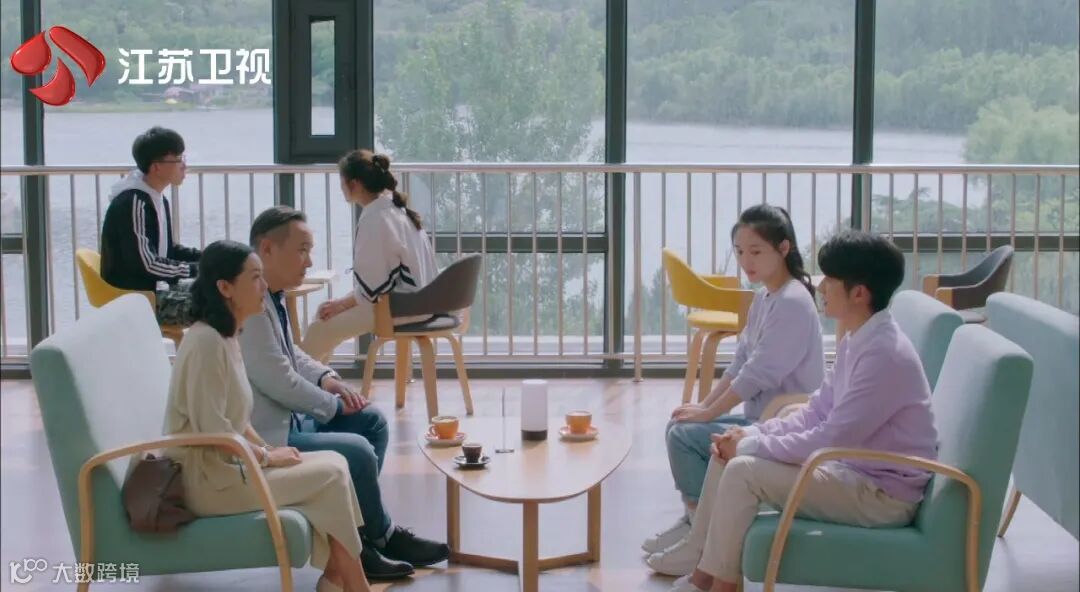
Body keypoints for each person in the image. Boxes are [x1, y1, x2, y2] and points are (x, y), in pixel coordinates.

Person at [648, 230, 939, 592]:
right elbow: (817, 410)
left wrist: (750, 446)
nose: (821, 287)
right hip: (852, 470)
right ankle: (707, 573)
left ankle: (717, 583)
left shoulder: (883, 354)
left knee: (743, 470)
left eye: (830, 280)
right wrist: (751, 434)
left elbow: (833, 436)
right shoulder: (858, 338)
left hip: (881, 495)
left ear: (859, 293)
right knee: (730, 455)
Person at [241, 206, 449, 579]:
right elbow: (279, 381)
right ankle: (373, 540)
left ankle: (364, 535)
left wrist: (328, 379)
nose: (309, 261)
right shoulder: (251, 306)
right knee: (358, 451)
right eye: (302, 250)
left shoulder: (272, 295)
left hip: (292, 418)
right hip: (272, 435)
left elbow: (292, 355)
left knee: (371, 421)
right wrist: (333, 406)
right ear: (267, 249)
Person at [162, 240, 370, 592]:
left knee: (337, 463)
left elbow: (237, 420)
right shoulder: (206, 343)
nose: (264, 286)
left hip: (230, 468)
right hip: (207, 483)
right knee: (330, 476)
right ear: (225, 287)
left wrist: (268, 452)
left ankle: (340, 579)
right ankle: (349, 583)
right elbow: (213, 429)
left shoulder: (227, 337)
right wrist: (266, 457)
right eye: (255, 277)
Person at [644, 205, 824, 555]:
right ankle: (696, 520)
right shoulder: (765, 297)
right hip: (762, 415)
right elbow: (741, 362)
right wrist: (704, 407)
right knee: (680, 424)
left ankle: (702, 535)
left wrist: (708, 415)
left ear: (783, 248)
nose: (745, 261)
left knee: (684, 436)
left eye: (755, 251)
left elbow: (758, 374)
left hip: (781, 422)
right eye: (740, 252)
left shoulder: (792, 302)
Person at [299, 150, 439, 363]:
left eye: (342, 182)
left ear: (354, 184)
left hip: (400, 308)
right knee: (325, 313)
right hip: (420, 302)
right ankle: (318, 379)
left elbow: (373, 290)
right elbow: (378, 284)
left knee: (320, 328)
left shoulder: (375, 219)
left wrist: (341, 304)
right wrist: (341, 303)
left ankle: (299, 380)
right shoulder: (396, 211)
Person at [100, 126, 200, 326]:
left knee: (227, 288)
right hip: (137, 299)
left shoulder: (156, 198)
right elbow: (147, 264)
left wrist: (209, 257)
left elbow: (168, 250)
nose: (184, 166)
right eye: (177, 159)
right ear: (156, 167)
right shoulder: (133, 203)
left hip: (155, 290)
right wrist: (196, 269)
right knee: (219, 303)